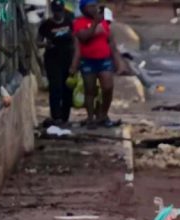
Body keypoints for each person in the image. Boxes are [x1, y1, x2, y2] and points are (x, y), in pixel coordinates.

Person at [70, 0, 127, 128]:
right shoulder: (79, 23)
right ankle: (90, 118)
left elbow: (111, 43)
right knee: (90, 90)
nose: (94, 9)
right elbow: (84, 37)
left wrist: (119, 62)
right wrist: (95, 23)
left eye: (95, 6)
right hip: (88, 60)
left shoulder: (104, 23)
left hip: (104, 60)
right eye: (91, 7)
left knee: (108, 87)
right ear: (84, 9)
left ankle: (103, 115)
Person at [38, 0, 75, 127]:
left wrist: (76, 61)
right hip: (53, 60)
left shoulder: (70, 21)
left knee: (68, 89)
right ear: (53, 11)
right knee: (55, 87)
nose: (58, 14)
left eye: (60, 11)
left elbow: (76, 41)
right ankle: (56, 116)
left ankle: (65, 117)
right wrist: (45, 44)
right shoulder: (46, 25)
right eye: (56, 11)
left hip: (68, 59)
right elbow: (38, 42)